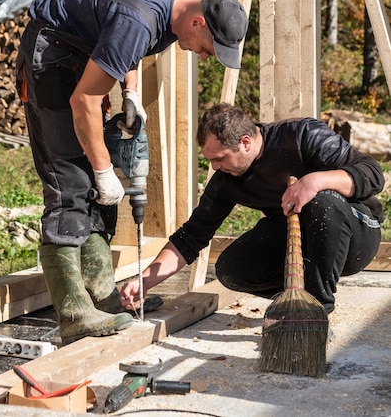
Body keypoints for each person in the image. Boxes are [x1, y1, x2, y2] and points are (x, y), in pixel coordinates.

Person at [15, 0, 248, 345]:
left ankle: (103, 298)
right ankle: (74, 313)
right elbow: (85, 99)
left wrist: (131, 92)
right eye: (209, 47)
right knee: (70, 182)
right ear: (198, 21)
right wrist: (104, 168)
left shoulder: (175, 6)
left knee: (92, 185)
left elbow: (127, 47)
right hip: (51, 54)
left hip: (79, 52)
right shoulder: (140, 17)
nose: (206, 57)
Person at [120, 102, 384, 315]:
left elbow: (373, 174)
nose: (213, 167)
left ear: (245, 142)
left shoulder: (302, 135)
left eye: (219, 158)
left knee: (322, 200)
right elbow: (191, 237)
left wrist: (316, 180)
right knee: (232, 269)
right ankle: (296, 297)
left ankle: (316, 309)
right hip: (301, 242)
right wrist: (144, 281)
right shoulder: (226, 179)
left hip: (357, 235)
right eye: (210, 160)